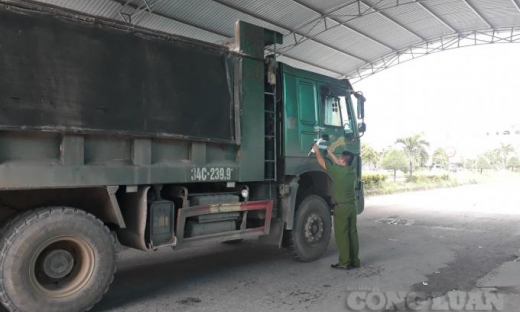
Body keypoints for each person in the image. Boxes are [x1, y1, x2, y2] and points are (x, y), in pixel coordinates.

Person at [312, 144, 360, 270]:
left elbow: (321, 162)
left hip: (342, 208)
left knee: (342, 235)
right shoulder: (351, 171)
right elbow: (339, 163)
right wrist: (330, 152)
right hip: (351, 207)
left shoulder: (338, 172)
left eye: (340, 158)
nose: (338, 159)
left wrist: (317, 151)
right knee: (352, 233)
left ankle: (344, 262)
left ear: (343, 160)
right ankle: (355, 261)